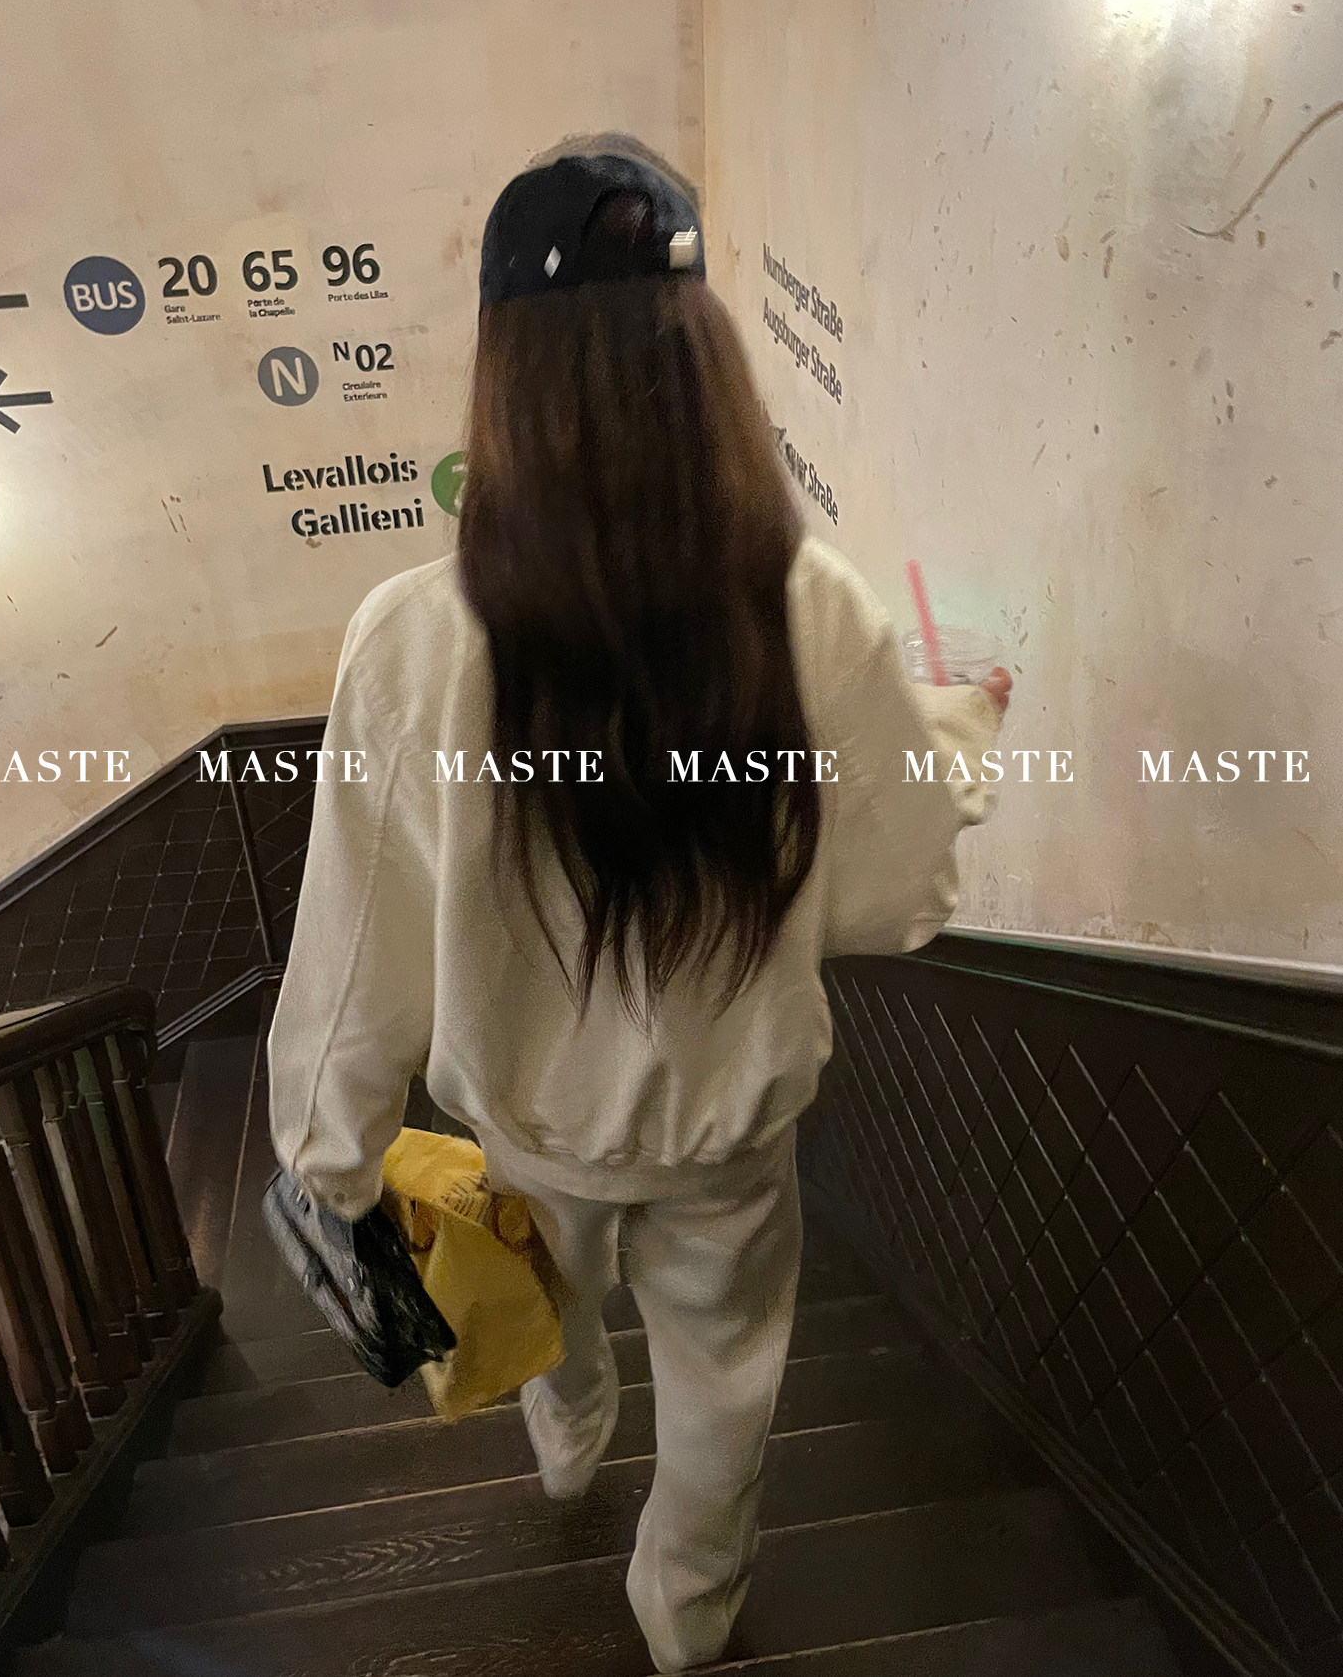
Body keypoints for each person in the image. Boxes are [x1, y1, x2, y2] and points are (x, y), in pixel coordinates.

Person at [267, 131, 1010, 1673]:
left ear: (503, 379)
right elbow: (895, 897)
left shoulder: (411, 638)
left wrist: (330, 1168)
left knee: (545, 1299)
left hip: (524, 1131)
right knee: (727, 1384)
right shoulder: (817, 607)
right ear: (703, 359)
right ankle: (686, 1616)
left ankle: (565, 1442)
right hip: (730, 1141)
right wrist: (954, 737)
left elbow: (350, 965)